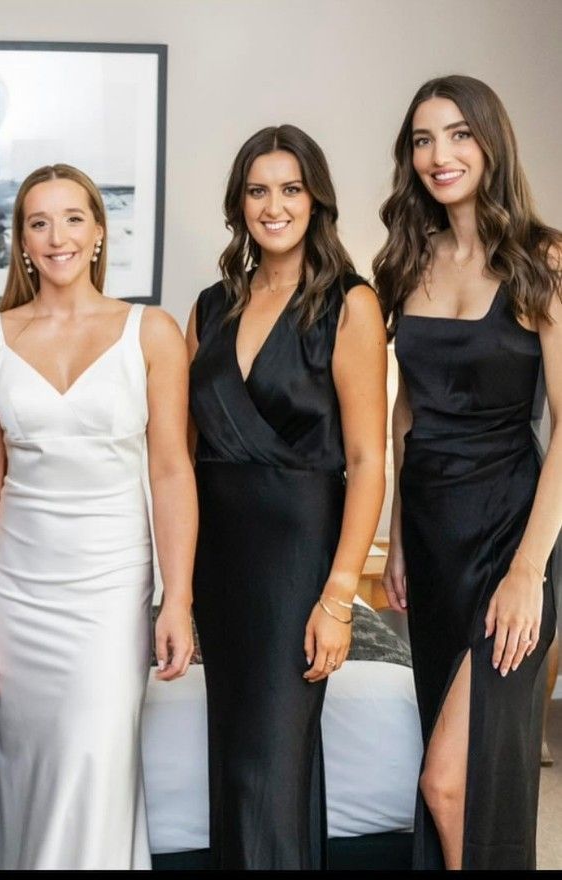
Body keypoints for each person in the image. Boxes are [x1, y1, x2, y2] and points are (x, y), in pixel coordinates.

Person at [0, 163, 198, 869]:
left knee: (93, 760)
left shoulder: (149, 332)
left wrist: (176, 596)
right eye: (38, 222)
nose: (56, 236)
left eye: (71, 219)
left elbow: (172, 470)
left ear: (97, 233)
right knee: (29, 770)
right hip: (17, 590)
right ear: (22, 242)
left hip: (111, 586)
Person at [373, 74, 562, 870]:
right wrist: (396, 538)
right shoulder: (406, 261)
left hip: (512, 538)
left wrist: (529, 571)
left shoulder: (541, 261)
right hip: (432, 539)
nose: (438, 155)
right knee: (460, 782)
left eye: (457, 134)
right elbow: (406, 410)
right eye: (422, 139)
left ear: (490, 141)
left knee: (450, 782)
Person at [186, 125, 386, 869]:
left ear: (316, 200)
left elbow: (369, 461)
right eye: (259, 189)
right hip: (220, 563)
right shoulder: (209, 308)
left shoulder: (349, 303)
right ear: (239, 204)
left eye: (291, 188)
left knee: (269, 764)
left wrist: (338, 597)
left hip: (298, 557)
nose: (275, 206)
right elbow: (179, 455)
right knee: (235, 760)